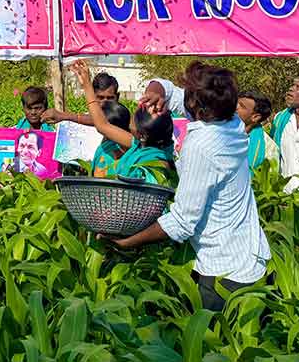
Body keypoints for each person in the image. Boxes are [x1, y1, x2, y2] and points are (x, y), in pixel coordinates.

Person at [110, 62, 271, 313]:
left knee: (212, 344)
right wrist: (157, 90)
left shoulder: (203, 147)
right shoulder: (230, 122)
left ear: (197, 106)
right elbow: (168, 90)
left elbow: (182, 222)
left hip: (225, 271)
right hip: (247, 254)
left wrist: (128, 241)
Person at [70, 60, 175, 186]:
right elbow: (102, 125)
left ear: (141, 134)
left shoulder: (141, 150)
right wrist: (86, 85)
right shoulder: (146, 147)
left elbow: (102, 125)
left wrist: (86, 85)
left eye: (134, 119)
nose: (130, 123)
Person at [236, 92, 279, 171]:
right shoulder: (216, 129)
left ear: (255, 117)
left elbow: (268, 180)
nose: (235, 107)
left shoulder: (268, 148)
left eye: (241, 106)